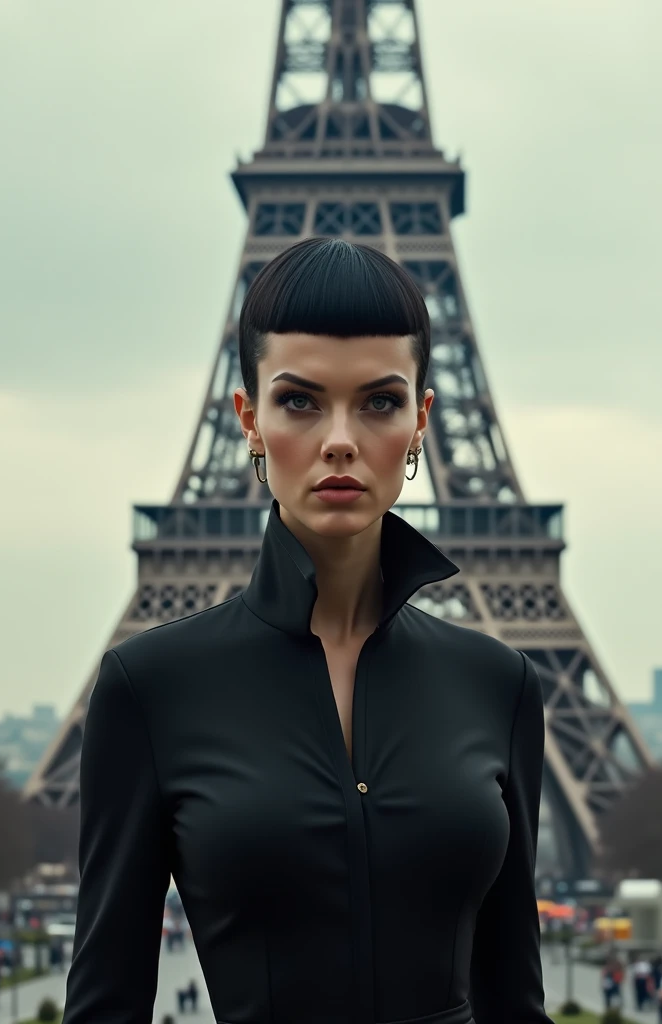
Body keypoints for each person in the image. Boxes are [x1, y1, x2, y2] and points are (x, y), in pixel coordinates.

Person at [59, 237, 553, 1024]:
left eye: (380, 402)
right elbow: (104, 1005)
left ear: (422, 420)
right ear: (247, 420)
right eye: (300, 401)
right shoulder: (148, 689)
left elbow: (514, 998)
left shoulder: (500, 685)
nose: (340, 440)